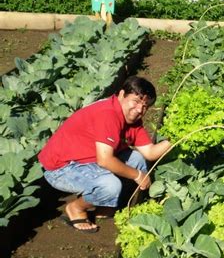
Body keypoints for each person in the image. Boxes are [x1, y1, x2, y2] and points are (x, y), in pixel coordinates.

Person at [38, 76, 171, 233]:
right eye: (135, 101)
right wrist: (137, 175)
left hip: (88, 160)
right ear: (122, 94)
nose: (139, 110)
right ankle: (76, 208)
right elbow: (105, 160)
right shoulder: (108, 113)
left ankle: (105, 205)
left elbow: (149, 152)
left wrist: (175, 137)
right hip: (61, 168)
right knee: (111, 185)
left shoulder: (132, 120)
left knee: (137, 159)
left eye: (145, 106)